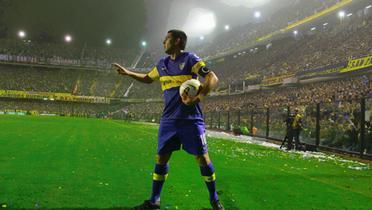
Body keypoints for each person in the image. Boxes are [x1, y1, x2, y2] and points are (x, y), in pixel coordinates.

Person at [112, 29, 224, 210]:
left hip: (191, 119)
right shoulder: (162, 63)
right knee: (161, 158)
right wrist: (128, 73)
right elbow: (148, 78)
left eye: (167, 39)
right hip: (168, 120)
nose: (163, 42)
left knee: (202, 159)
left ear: (178, 41)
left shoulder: (190, 59)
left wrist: (198, 97)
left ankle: (214, 199)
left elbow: (212, 77)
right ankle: (154, 200)